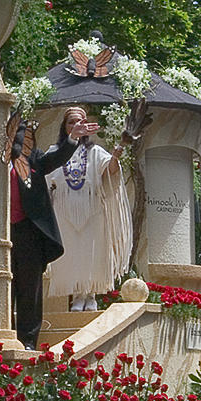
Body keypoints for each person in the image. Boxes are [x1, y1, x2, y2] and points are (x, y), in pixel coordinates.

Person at [10, 108, 93, 350]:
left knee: (29, 291)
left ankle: (27, 341)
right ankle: (2, 337)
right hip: (3, 234)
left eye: (24, 136)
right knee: (5, 290)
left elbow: (54, 160)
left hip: (29, 232)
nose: (20, 141)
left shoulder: (34, 159)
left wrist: (73, 139)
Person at [46, 108, 133, 311]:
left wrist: (116, 156)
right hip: (64, 211)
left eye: (79, 122)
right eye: (70, 122)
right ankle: (77, 295)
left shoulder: (95, 152)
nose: (75, 126)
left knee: (92, 252)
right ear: (64, 127)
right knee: (71, 254)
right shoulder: (54, 151)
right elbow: (46, 176)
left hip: (92, 210)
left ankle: (91, 295)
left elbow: (110, 171)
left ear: (85, 126)